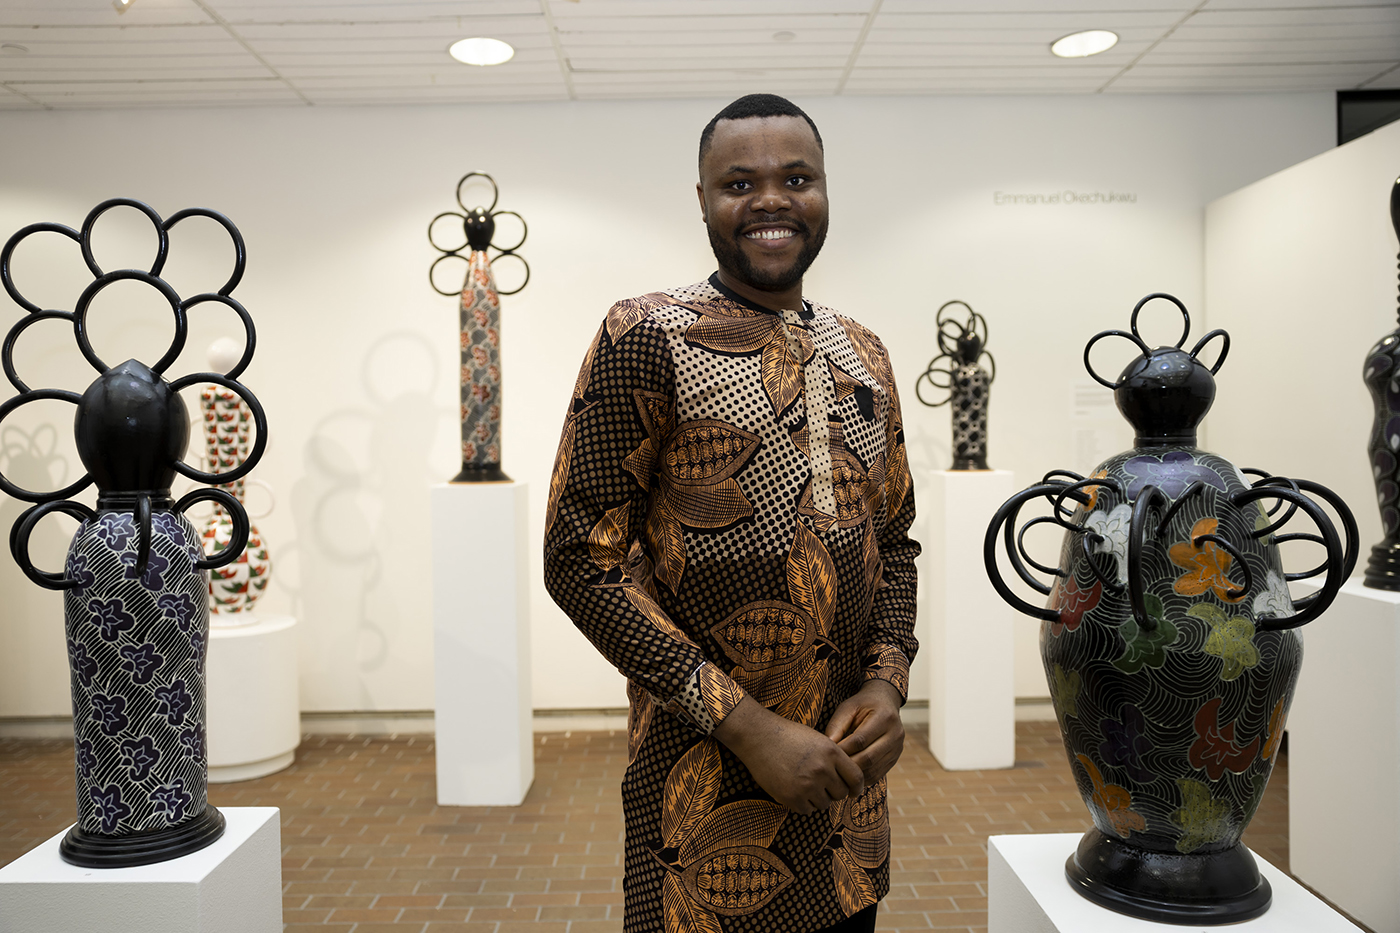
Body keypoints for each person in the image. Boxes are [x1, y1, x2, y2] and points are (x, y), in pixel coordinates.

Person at [543, 93, 919, 933]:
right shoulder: (645, 334)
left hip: (846, 806)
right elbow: (580, 558)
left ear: (826, 191)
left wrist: (887, 683)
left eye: (797, 177)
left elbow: (894, 540)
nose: (772, 199)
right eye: (739, 182)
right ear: (704, 200)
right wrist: (747, 727)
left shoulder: (866, 351)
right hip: (701, 798)